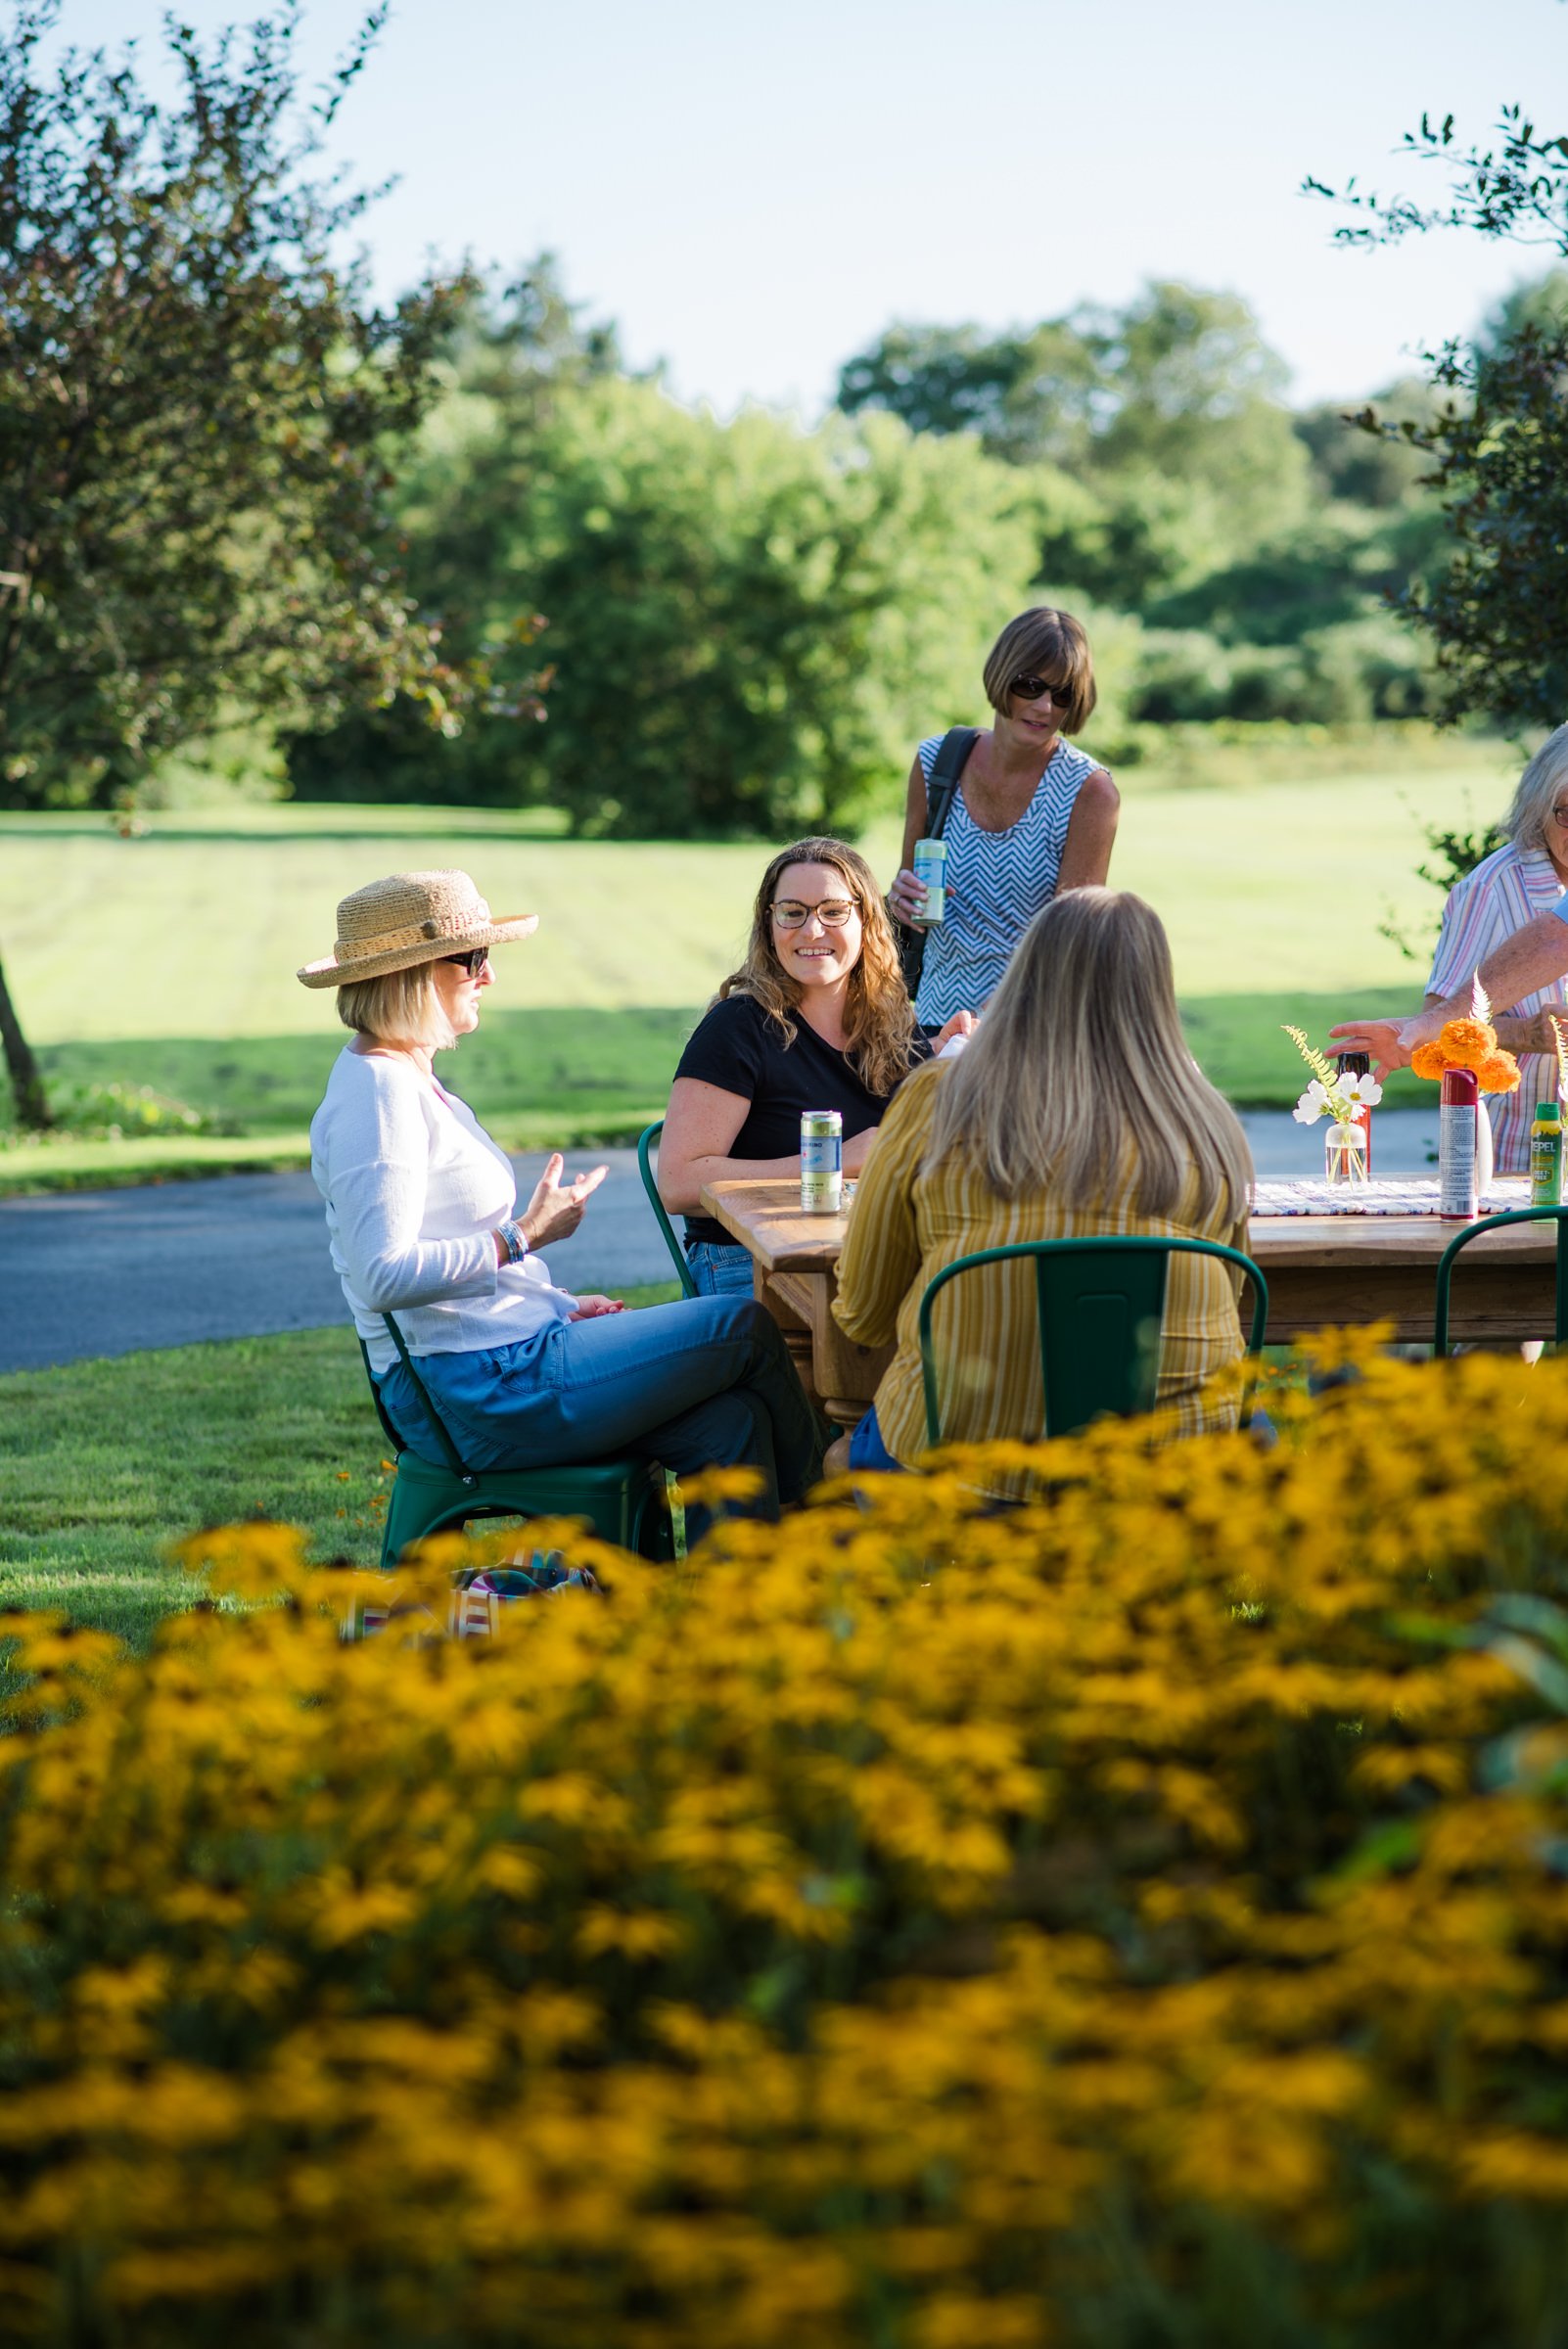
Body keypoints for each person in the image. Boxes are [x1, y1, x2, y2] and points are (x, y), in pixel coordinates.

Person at [301, 869, 823, 1546]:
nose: (488, 976)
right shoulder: (377, 1097)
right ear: (414, 974)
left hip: (514, 1355)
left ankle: (742, 1624)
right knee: (742, 1326)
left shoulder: (411, 1081)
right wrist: (524, 1237)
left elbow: (458, 1259)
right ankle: (833, 1514)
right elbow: (384, 1276)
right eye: (473, 960)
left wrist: (557, 1304)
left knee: (730, 1423)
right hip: (478, 1391)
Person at [832, 888, 1255, 1500]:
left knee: (843, 1453)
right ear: (1157, 993)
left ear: (1026, 974)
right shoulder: (1209, 1124)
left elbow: (863, 1314)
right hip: (1166, 1481)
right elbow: (1229, 1297)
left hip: (961, 1466)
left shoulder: (938, 1098)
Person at [659, 837, 974, 1295]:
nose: (811, 931)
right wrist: (837, 1162)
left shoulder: (892, 1031)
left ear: (866, 920)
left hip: (862, 1253)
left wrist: (955, 1057)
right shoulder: (738, 1027)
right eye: (792, 912)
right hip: (747, 1259)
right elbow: (678, 1182)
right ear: (770, 924)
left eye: (833, 911)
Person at [886, 606, 1120, 1034]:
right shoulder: (936, 762)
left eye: (1063, 694)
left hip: (1031, 1029)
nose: (1045, 706)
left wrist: (995, 1021)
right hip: (932, 1023)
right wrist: (900, 898)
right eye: (1030, 686)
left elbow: (1069, 940)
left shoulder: (1090, 792)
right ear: (1002, 676)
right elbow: (908, 891)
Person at [1330, 727, 1568, 1122]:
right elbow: (1437, 1031)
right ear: (1538, 807)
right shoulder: (1489, 889)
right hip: (1512, 1148)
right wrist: (1527, 1034)